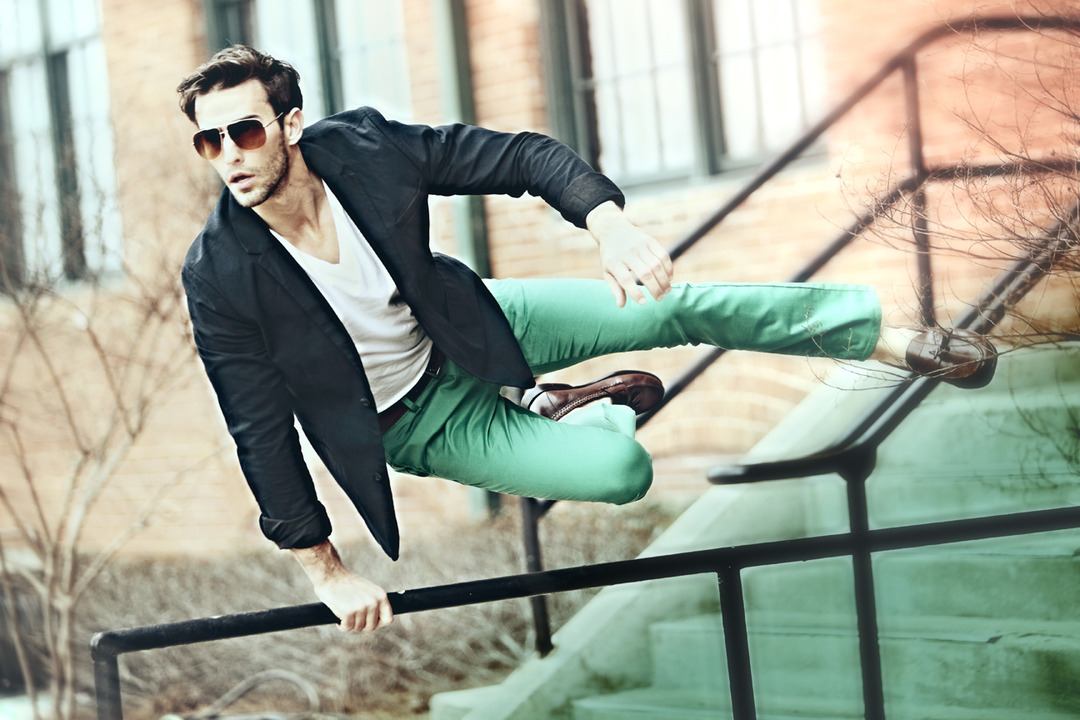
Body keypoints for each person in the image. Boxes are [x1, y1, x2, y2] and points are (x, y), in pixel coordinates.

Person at [176, 46, 996, 634]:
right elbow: (259, 427)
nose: (229, 157)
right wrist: (326, 572)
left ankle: (882, 337)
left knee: (667, 305)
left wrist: (609, 226)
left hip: (473, 324)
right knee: (622, 472)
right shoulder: (220, 274)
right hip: (418, 424)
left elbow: (521, 156)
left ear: (289, 123)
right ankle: (568, 409)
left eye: (243, 132)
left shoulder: (364, 148)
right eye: (209, 142)